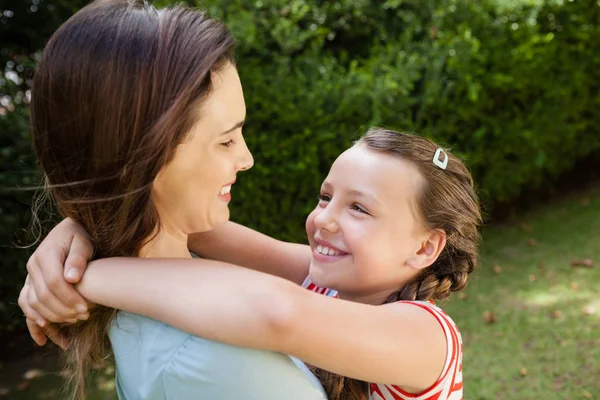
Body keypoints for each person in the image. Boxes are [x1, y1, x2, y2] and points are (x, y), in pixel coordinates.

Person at [21, 127, 482, 400]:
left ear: (425, 248)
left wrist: (88, 279)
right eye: (325, 197)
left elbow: (275, 313)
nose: (325, 220)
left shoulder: (428, 336)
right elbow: (182, 217)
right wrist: (76, 229)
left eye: (358, 209)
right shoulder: (332, 282)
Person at [17, 0, 328, 399]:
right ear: (145, 158)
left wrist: (82, 226)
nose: (247, 159)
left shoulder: (165, 285)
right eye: (226, 140)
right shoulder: (222, 365)